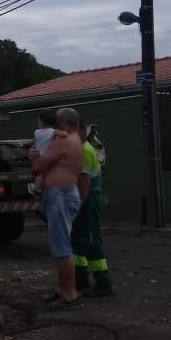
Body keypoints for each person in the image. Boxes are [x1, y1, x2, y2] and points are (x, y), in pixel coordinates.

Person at [30, 107, 84, 310]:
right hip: (61, 194)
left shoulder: (64, 141)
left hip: (60, 195)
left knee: (62, 248)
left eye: (57, 121)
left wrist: (33, 156)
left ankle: (71, 294)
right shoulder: (73, 139)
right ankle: (63, 290)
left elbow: (38, 165)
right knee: (59, 245)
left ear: (62, 123)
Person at [73, 118, 113, 297]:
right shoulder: (80, 149)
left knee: (91, 240)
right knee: (78, 240)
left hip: (88, 199)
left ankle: (103, 282)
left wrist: (78, 204)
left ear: (82, 131)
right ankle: (81, 279)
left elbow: (84, 180)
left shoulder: (85, 150)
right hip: (85, 199)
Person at [32, 109, 57, 194]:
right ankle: (39, 188)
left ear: (42, 121)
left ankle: (37, 188)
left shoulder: (36, 132)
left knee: (41, 174)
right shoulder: (54, 132)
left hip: (39, 156)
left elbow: (35, 145)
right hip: (48, 156)